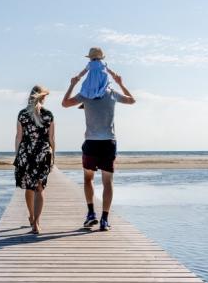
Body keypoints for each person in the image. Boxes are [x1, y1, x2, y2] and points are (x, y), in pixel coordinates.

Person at [62, 56, 135, 231]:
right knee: (107, 182)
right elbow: (132, 100)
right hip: (108, 142)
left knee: (88, 179)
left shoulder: (84, 94)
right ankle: (104, 219)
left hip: (91, 143)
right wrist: (119, 82)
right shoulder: (111, 93)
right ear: (104, 72)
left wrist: (73, 82)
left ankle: (90, 214)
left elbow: (65, 103)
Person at [14, 85, 55, 234]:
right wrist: (53, 155)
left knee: (29, 186)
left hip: (27, 152)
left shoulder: (22, 114)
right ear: (43, 97)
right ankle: (36, 223)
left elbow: (19, 137)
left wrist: (18, 155)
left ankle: (31, 217)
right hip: (43, 153)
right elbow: (51, 138)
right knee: (39, 187)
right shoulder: (48, 114)